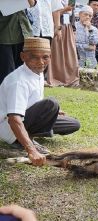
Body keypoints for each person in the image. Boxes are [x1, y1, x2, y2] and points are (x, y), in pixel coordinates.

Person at [0, 37, 81, 166]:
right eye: (34, 57)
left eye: (45, 57)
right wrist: (31, 150)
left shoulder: (37, 72)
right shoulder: (18, 81)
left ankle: (35, 131)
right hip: (9, 129)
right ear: (23, 57)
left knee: (73, 124)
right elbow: (13, 119)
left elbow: (32, 100)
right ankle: (27, 141)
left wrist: (52, 113)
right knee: (51, 104)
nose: (41, 62)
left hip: (26, 118)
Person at [0, 0, 36, 85]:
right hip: (4, 35)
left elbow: (32, 3)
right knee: (7, 74)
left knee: (23, 73)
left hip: (24, 33)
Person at [48, 0, 80, 86]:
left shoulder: (70, 1)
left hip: (68, 27)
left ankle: (70, 78)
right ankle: (57, 77)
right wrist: (64, 10)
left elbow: (72, 15)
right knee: (58, 53)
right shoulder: (54, 1)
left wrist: (73, 29)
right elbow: (51, 14)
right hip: (57, 27)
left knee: (70, 54)